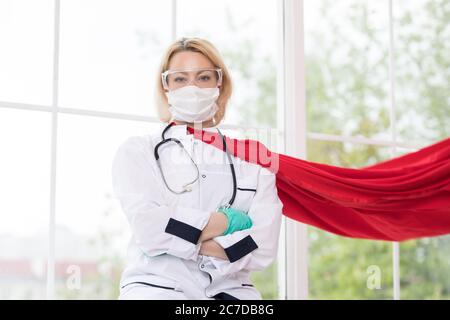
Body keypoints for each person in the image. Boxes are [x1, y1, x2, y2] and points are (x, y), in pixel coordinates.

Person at [111, 37, 283, 300]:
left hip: (234, 292)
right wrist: (227, 224)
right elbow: (148, 229)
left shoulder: (252, 160)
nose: (192, 87)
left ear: (219, 82)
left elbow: (263, 247)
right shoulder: (138, 152)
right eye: (180, 79)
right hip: (157, 288)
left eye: (203, 77)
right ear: (165, 86)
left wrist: (177, 238)